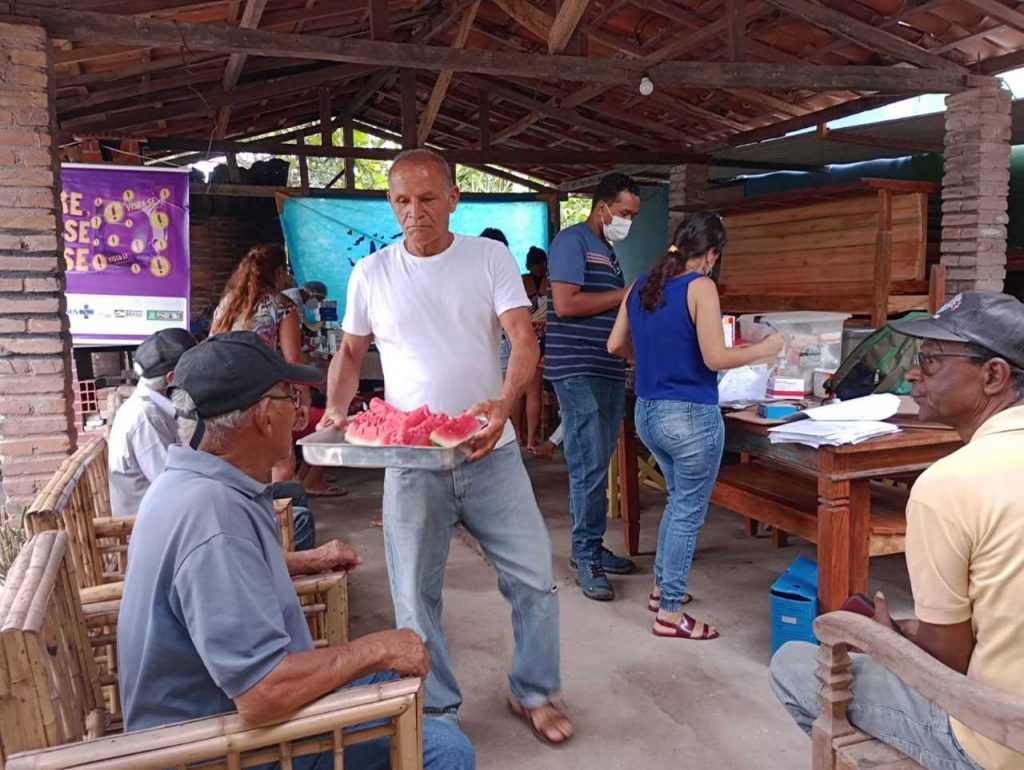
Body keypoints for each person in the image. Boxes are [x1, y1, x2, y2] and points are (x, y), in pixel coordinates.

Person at [117, 331, 474, 770]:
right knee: (447, 751)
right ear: (266, 417)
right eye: (290, 397)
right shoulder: (213, 519)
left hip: (220, 717)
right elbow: (264, 693)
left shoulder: (190, 484)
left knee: (403, 683)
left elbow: (218, 578)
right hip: (217, 747)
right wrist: (379, 646)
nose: (299, 411)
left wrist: (306, 561)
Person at [321, 149, 572, 745]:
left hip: (492, 452)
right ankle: (436, 712)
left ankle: (533, 690)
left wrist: (504, 405)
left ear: (454, 198)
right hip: (410, 461)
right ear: (391, 203)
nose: (416, 211)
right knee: (413, 593)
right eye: (403, 200)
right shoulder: (371, 273)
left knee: (535, 579)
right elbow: (351, 353)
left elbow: (522, 339)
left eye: (428, 198)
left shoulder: (489, 258)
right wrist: (336, 408)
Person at [770, 290, 1024, 770]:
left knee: (794, 665)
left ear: (993, 376)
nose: (912, 373)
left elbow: (945, 663)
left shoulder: (950, 484)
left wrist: (890, 640)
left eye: (929, 362)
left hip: (1000, 736)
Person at [607, 212, 783, 640]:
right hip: (689, 417)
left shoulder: (643, 283)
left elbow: (615, 345)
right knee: (687, 512)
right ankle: (669, 614)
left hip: (648, 413)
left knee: (677, 503)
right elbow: (715, 359)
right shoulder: (701, 287)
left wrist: (653, 358)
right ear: (711, 254)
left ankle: (661, 590)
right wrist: (767, 348)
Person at [545, 172, 640, 601]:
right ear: (602, 207)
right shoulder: (573, 242)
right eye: (624, 213)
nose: (627, 221)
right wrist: (623, 294)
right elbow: (565, 305)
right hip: (577, 368)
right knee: (587, 461)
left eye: (633, 215)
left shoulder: (608, 250)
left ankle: (593, 545)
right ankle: (584, 556)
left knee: (599, 460)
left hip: (606, 368)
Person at [210, 243, 315, 487]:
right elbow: (293, 361)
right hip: (263, 393)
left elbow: (211, 346)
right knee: (281, 461)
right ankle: (276, 521)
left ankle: (241, 516)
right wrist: (303, 399)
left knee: (235, 461)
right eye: (285, 271)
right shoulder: (282, 306)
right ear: (277, 272)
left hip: (225, 392)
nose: (288, 276)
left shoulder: (226, 305)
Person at [108, 327, 195, 517]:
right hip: (150, 528)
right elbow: (174, 486)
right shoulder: (146, 418)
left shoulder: (154, 407)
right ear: (172, 378)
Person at [521, 246, 549, 451]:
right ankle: (525, 438)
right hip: (532, 339)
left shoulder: (521, 282)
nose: (538, 269)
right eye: (535, 265)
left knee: (529, 392)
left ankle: (526, 438)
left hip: (529, 339)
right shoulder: (524, 281)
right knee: (530, 392)